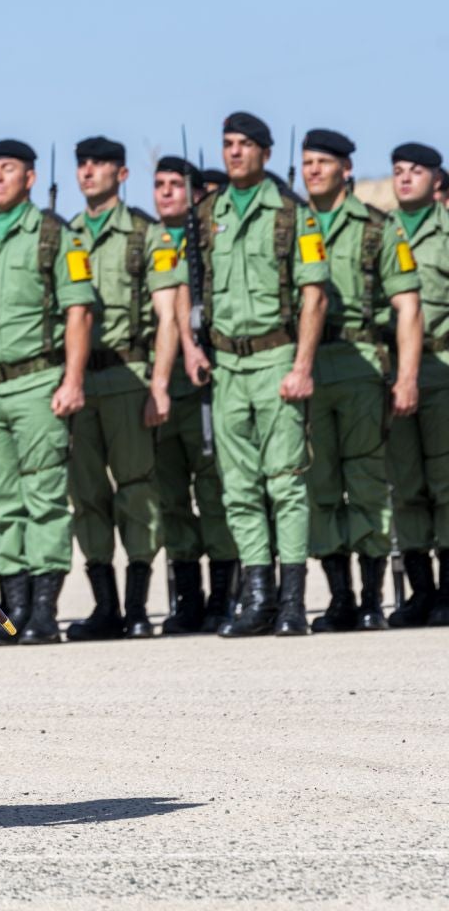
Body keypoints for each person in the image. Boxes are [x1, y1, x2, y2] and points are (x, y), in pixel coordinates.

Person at [180, 114, 329, 636]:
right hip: (225, 365)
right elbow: (184, 287)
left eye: (245, 144)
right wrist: (190, 348)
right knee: (237, 487)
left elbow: (314, 293)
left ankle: (291, 602)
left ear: (265, 153)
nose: (235, 152)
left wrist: (302, 366)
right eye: (228, 144)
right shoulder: (204, 215)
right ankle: (257, 598)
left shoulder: (292, 214)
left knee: (285, 484)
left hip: (275, 360)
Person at [0, 141, 95, 646]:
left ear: (30, 178)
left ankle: (45, 612)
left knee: (44, 497)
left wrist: (73, 380)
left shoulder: (55, 234)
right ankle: (15, 609)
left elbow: (78, 310)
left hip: (36, 382)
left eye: (7, 170)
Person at [299, 131, 417, 632]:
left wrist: (406, 376)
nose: (312, 170)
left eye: (322, 162)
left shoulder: (377, 228)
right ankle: (340, 597)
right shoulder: (293, 225)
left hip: (361, 367)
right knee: (320, 485)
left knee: (365, 482)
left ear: (346, 169)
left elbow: (408, 306)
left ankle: (370, 599)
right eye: (306, 162)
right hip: (307, 368)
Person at [62, 137, 169, 641]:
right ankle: (105, 606)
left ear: (122, 175)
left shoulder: (147, 234)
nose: (88, 171)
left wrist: (160, 385)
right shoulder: (66, 235)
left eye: (99, 164)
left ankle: (139, 607)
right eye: (82, 163)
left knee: (136, 490)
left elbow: (167, 317)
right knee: (87, 495)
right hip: (82, 381)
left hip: (129, 376)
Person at [146, 157, 237, 633]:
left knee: (215, 492)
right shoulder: (153, 240)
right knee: (172, 497)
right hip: (162, 389)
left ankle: (224, 597)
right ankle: (189, 600)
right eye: (157, 185)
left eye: (174, 186)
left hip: (208, 385)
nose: (165, 193)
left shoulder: (208, 237)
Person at [384, 142, 449, 626]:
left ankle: (447, 589)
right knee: (405, 483)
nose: (406, 178)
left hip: (441, 365)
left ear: (436, 180)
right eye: (399, 171)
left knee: (446, 483)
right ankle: (419, 589)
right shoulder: (381, 232)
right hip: (391, 373)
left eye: (417, 171)